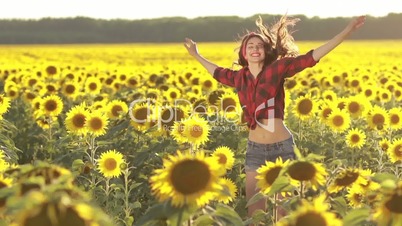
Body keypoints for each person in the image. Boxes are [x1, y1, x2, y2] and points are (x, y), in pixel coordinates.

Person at [184, 14, 366, 223]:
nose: (255, 48)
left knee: (283, 213)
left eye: (259, 46)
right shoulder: (238, 77)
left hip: (282, 148)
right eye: (250, 45)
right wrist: (195, 54)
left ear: (265, 51)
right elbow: (216, 72)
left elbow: (312, 57)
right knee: (255, 212)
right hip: (255, 151)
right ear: (244, 52)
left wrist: (347, 31)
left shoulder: (277, 69)